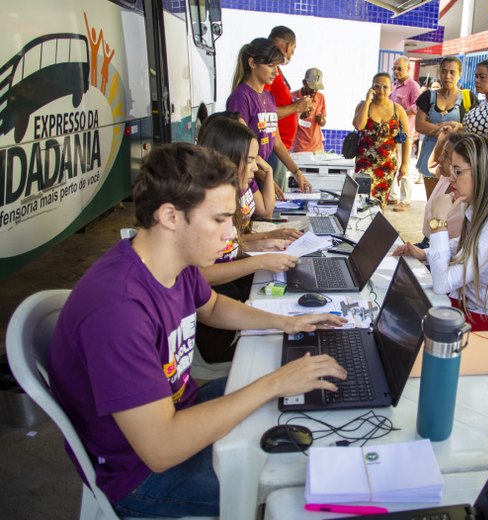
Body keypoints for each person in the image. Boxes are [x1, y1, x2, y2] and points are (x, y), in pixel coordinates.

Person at [47, 143, 346, 517]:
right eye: (219, 219)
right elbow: (161, 449)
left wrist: (287, 323)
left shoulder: (174, 260)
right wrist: (275, 383)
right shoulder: (118, 309)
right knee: (299, 486)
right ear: (171, 216)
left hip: (183, 411)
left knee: (318, 411)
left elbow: (214, 306)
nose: (229, 235)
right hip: (143, 475)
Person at [393, 134, 488, 356]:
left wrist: (439, 223)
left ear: (483, 171)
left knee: (417, 321)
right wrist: (425, 253)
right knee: (410, 299)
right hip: (483, 306)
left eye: (458, 171)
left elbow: (442, 283)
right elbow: (463, 243)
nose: (451, 178)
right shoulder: (486, 205)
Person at [195, 116, 301, 362]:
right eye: (251, 160)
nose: (256, 167)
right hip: (217, 336)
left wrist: (262, 245)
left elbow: (230, 250)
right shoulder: (204, 209)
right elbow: (201, 275)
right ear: (228, 159)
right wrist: (259, 261)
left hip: (223, 309)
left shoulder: (221, 202)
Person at [225, 37, 312, 193]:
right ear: (252, 64)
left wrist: (297, 173)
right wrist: (264, 178)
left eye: (277, 66)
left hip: (264, 171)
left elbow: (276, 142)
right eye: (271, 66)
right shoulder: (241, 97)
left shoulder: (268, 97)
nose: (275, 72)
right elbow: (240, 149)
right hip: (249, 177)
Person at [415, 56, 478, 199]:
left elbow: (472, 128)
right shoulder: (428, 96)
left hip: (456, 157)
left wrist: (456, 127)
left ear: (460, 74)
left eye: (452, 72)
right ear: (439, 73)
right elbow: (420, 125)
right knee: (432, 200)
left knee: (454, 202)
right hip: (431, 153)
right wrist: (446, 130)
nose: (447, 76)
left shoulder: (468, 98)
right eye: (443, 71)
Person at [352, 73, 410, 206]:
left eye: (385, 87)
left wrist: (404, 164)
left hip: (387, 167)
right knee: (362, 202)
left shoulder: (398, 110)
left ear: (391, 88)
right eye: (377, 86)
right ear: (372, 88)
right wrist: (367, 101)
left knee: (380, 203)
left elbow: (406, 139)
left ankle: (376, 226)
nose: (381, 90)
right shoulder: (363, 106)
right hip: (365, 164)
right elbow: (359, 125)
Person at [389, 56, 421, 211]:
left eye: (399, 68)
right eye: (394, 68)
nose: (396, 71)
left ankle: (405, 200)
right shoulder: (393, 85)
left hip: (404, 133)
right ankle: (393, 197)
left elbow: (417, 106)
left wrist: (401, 113)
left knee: (405, 166)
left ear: (408, 69)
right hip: (391, 133)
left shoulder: (413, 86)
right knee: (393, 164)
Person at [290, 67, 327, 153]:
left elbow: (323, 123)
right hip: (298, 149)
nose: (314, 90)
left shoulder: (320, 97)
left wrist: (321, 120)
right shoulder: (292, 97)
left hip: (318, 149)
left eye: (317, 88)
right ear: (304, 83)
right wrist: (299, 115)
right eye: (312, 87)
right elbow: (286, 123)